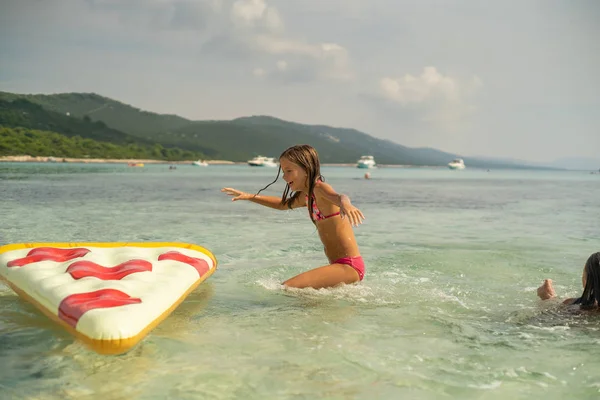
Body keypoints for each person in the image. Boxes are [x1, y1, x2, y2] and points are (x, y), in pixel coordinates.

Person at [221, 144, 366, 289]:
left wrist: (346, 205)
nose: (284, 176)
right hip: (338, 266)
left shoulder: (319, 188)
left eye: (289, 170)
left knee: (288, 287)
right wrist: (249, 196)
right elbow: (282, 205)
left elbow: (340, 197)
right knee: (302, 296)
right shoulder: (307, 196)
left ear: (306, 169)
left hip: (349, 266)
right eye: (283, 171)